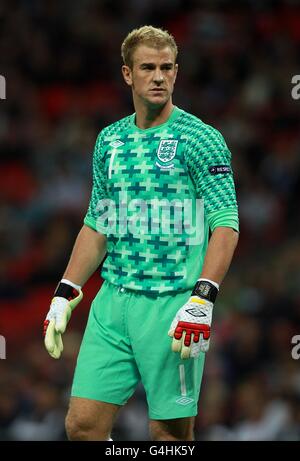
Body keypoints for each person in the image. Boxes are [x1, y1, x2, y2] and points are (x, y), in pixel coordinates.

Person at [43, 25, 239, 441]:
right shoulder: (109, 141)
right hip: (113, 303)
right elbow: (98, 222)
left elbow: (225, 224)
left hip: (173, 308)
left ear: (177, 73)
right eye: (147, 67)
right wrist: (65, 290)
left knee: (168, 436)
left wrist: (203, 298)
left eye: (166, 67)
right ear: (127, 75)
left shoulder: (201, 139)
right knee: (81, 426)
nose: (158, 76)